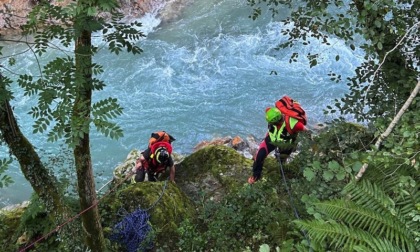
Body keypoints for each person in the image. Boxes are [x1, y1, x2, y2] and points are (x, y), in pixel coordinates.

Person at [248, 106, 310, 184]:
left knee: (280, 161)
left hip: (286, 144)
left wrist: (309, 142)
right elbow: (268, 110)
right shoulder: (272, 114)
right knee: (260, 155)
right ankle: (255, 176)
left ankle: (282, 176)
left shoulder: (293, 123)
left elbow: (306, 130)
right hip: (272, 139)